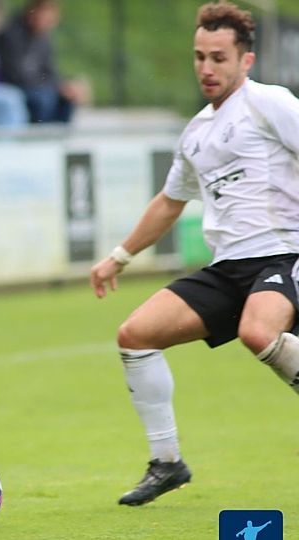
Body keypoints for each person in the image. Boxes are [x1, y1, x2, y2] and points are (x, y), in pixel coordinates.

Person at [90, 1, 299, 507]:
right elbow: (169, 201)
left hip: (283, 254)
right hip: (228, 267)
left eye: (219, 57)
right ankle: (167, 463)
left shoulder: (269, 103)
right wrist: (119, 255)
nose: (207, 67)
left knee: (258, 331)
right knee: (135, 336)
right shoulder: (197, 132)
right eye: (200, 56)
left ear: (245, 61)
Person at [0, 0, 86, 123]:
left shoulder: (43, 38)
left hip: (38, 86)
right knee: (44, 100)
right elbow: (18, 75)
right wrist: (56, 86)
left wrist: (67, 85)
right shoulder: (12, 35)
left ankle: (58, 137)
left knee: (68, 99)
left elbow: (50, 71)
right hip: (15, 87)